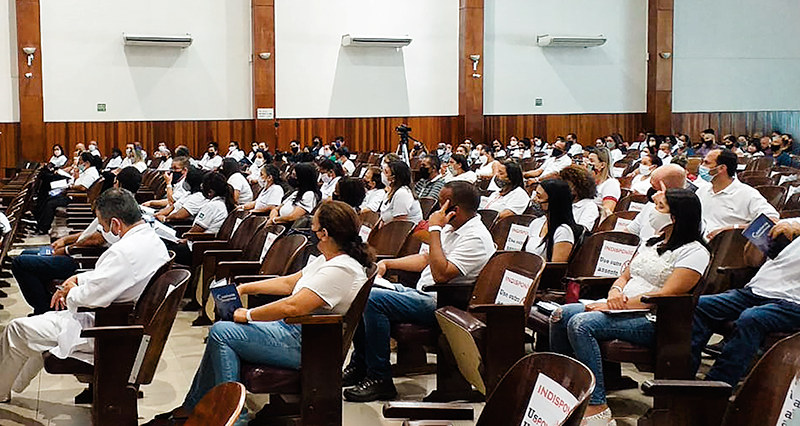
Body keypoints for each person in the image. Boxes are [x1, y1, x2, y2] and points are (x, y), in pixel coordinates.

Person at [147, 201, 373, 425]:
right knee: (222, 334)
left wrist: (248, 315)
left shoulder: (341, 269)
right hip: (294, 331)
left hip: (308, 344)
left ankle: (234, 417)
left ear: (324, 233)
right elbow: (288, 284)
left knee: (223, 334)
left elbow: (293, 306)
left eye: (313, 228)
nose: (311, 232)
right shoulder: (328, 259)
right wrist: (245, 288)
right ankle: (195, 407)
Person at [550, 188, 710, 426]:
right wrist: (615, 292)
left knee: (581, 324)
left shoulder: (695, 252)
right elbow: (624, 276)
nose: (653, 212)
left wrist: (613, 306)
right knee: (560, 314)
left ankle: (597, 403)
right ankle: (568, 388)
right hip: (620, 306)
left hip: (654, 319)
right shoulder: (652, 241)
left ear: (675, 216)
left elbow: (667, 295)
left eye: (660, 207)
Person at [0, 188, 170, 403]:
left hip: (104, 331)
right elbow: (110, 279)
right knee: (33, 331)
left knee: (16, 329)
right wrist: (78, 280)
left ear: (116, 224)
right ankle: (13, 385)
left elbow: (89, 297)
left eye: (102, 223)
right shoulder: (152, 242)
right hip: (120, 323)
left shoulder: (123, 252)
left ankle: (1, 391)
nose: (102, 229)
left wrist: (69, 292)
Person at [343, 182, 496, 402]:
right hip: (421, 293)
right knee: (360, 288)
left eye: (442, 204)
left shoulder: (475, 238)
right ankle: (360, 365)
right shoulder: (454, 229)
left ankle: (380, 379)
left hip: (444, 303)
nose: (435, 211)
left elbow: (442, 274)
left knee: (374, 300)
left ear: (455, 210)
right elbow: (426, 259)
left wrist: (434, 229)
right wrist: (388, 264)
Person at [13, 168, 143, 315]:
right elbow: (91, 232)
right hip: (76, 252)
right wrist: (65, 239)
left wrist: (67, 249)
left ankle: (45, 309)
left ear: (117, 183)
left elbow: (97, 239)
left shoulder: (119, 208)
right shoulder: (123, 205)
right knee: (28, 254)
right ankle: (47, 305)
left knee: (21, 263)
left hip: (79, 258)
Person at [696, 148, 779, 240]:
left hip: (727, 246)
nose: (702, 166)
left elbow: (772, 220)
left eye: (707, 163)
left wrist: (733, 229)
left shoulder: (747, 193)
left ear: (721, 168)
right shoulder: (702, 191)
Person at [164, 172, 235, 268]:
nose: (201, 188)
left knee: (163, 249)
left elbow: (197, 230)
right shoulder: (222, 203)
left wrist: (185, 237)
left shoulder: (212, 206)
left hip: (197, 249)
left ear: (210, 192)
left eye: (203, 186)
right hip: (203, 245)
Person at [35, 152, 101, 235]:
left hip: (78, 199)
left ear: (87, 163)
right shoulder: (88, 171)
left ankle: (43, 228)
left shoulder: (91, 173)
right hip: (74, 195)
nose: (78, 164)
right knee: (49, 199)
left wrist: (70, 187)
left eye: (80, 162)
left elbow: (83, 187)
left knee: (51, 203)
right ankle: (40, 224)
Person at [625, 164, 689, 243]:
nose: (652, 193)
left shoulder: (686, 214)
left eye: (654, 187)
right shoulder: (650, 205)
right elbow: (629, 231)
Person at [525, 179, 583, 262]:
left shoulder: (563, 232)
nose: (535, 200)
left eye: (539, 197)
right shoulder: (536, 223)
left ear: (553, 201)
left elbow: (555, 269)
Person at [378, 161, 423, 226]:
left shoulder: (402, 193)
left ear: (394, 178)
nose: (383, 174)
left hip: (406, 232)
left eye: (386, 172)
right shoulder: (390, 192)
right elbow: (383, 217)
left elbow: (399, 223)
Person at [560, 165, 600, 232]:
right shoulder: (564, 202)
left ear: (577, 187)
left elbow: (581, 232)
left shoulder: (589, 206)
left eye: (566, 185)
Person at [586, 147, 621, 216]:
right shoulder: (588, 182)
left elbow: (607, 212)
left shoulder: (611, 184)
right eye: (587, 160)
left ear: (602, 165)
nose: (587, 163)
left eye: (591, 161)